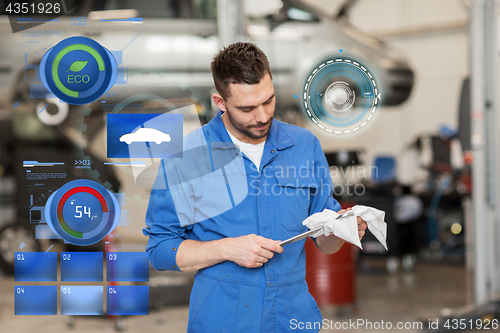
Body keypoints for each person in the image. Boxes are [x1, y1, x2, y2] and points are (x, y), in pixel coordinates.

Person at [144, 42, 368, 332]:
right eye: (247, 108)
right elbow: (160, 249)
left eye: (268, 101)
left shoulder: (304, 146)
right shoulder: (187, 157)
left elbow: (323, 240)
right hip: (223, 317)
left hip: (292, 315)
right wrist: (227, 249)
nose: (262, 116)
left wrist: (342, 231)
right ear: (220, 102)